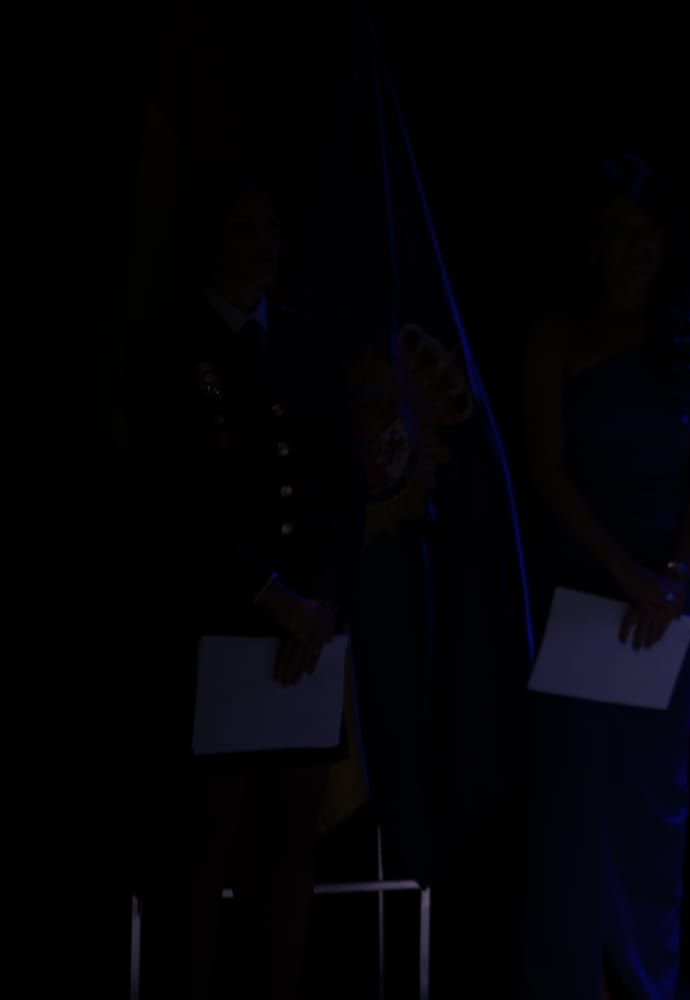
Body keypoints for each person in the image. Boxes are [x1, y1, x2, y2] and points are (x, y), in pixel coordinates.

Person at [517, 151, 690, 1000]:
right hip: (583, 583)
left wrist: (675, 571)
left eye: (644, 236)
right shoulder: (556, 336)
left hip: (668, 592)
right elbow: (546, 472)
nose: (631, 251)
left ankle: (643, 980)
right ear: (593, 245)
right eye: (615, 235)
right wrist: (626, 574)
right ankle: (571, 978)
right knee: (575, 803)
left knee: (653, 805)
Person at [122, 165, 363, 1000]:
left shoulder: (309, 343)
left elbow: (342, 488)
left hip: (307, 638)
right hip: (217, 630)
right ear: (204, 242)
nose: (261, 246)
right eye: (240, 229)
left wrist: (321, 604)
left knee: (291, 854)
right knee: (204, 854)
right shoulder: (167, 349)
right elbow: (170, 502)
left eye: (269, 228)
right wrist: (271, 598)